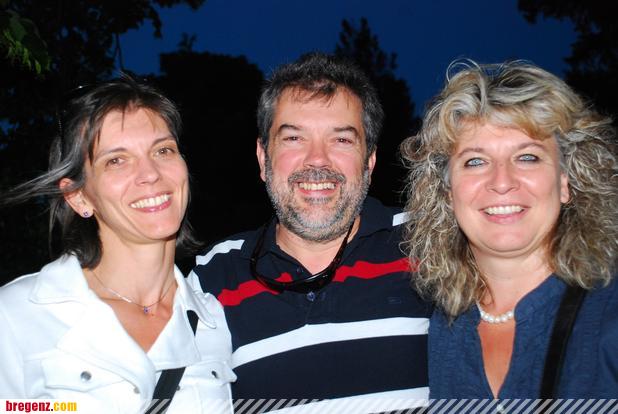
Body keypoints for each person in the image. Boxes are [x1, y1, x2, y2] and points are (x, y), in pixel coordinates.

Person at [189, 52, 431, 412]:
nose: (317, 159)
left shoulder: (427, 243)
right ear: (263, 158)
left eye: (341, 140)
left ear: (369, 161)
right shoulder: (215, 276)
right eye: (294, 138)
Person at [0, 77, 235, 413]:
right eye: (116, 160)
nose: (150, 173)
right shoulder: (15, 316)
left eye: (163, 150)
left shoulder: (215, 320)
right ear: (78, 197)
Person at [401, 60, 618, 401]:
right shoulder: (429, 329)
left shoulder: (607, 315)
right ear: (448, 192)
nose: (502, 181)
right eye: (475, 161)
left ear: (565, 182)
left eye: (527, 157)